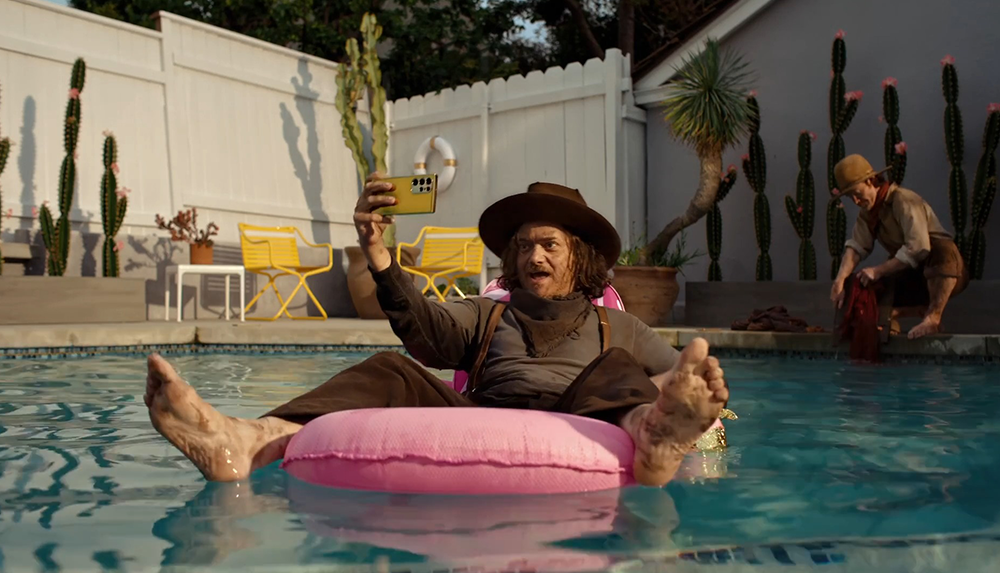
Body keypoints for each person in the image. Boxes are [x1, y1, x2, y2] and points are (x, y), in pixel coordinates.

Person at [144, 175, 729, 488]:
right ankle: (248, 440)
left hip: (586, 415)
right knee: (389, 369)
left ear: (579, 256)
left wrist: (696, 394)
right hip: (486, 413)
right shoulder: (488, 313)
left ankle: (651, 441)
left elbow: (677, 378)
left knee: (620, 367)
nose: (533, 257)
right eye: (523, 246)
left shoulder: (618, 325)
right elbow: (423, 329)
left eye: (549, 245)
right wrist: (378, 255)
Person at [829, 154, 969, 339]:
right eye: (850, 197)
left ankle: (933, 318)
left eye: (857, 193)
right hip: (912, 275)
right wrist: (839, 281)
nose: (855, 201)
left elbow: (919, 247)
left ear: (870, 181)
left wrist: (878, 270)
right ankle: (895, 322)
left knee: (943, 252)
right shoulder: (867, 214)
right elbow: (856, 247)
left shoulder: (903, 199)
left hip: (945, 271)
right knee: (866, 286)